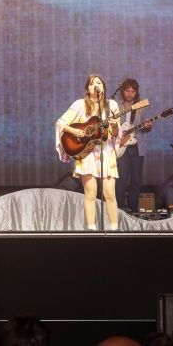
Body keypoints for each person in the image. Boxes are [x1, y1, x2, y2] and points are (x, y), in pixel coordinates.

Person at [56, 74, 123, 231]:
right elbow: (61, 122)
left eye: (99, 83)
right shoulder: (80, 105)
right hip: (87, 153)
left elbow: (114, 134)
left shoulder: (111, 105)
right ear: (87, 89)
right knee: (90, 193)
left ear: (104, 87)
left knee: (109, 193)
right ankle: (91, 230)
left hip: (106, 153)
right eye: (92, 84)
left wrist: (114, 126)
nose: (96, 85)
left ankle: (115, 230)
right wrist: (76, 131)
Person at [114, 79, 152, 212]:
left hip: (137, 147)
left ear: (136, 92)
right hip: (121, 147)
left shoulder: (142, 106)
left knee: (136, 180)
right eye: (127, 91)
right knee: (121, 179)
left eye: (133, 91)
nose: (130, 94)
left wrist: (147, 126)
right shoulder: (116, 106)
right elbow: (111, 127)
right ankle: (118, 210)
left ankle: (132, 209)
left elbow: (146, 128)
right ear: (123, 91)